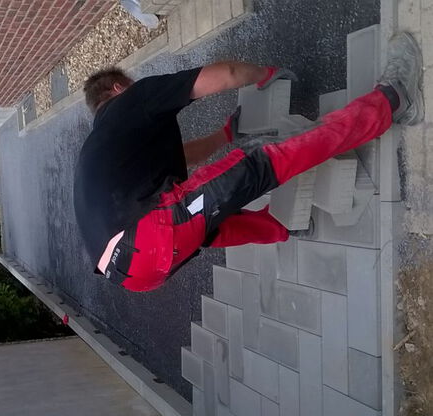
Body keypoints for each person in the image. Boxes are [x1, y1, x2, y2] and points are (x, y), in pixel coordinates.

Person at [74, 32, 423, 292]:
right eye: (130, 85)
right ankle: (393, 100)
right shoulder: (129, 103)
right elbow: (224, 73)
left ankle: (285, 227)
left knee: (204, 226)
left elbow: (184, 157)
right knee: (265, 160)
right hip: (149, 233)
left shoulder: (112, 151)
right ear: (118, 88)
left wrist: (225, 135)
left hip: (131, 275)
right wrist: (265, 74)